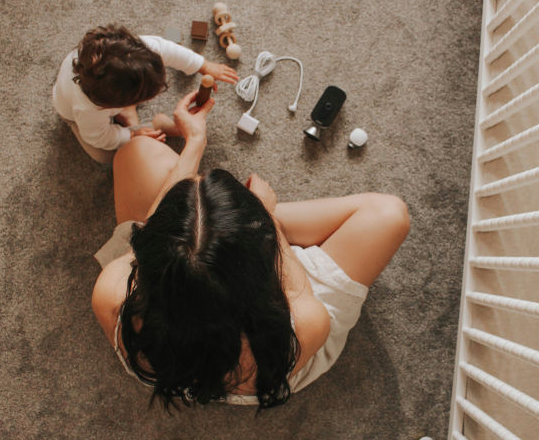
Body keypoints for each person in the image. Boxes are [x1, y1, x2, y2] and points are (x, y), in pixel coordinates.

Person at [91, 90, 410, 408]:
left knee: (136, 151)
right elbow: (293, 285)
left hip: (171, 358)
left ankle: (228, 222)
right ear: (263, 259)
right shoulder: (305, 323)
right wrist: (266, 215)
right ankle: (255, 220)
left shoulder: (111, 295)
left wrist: (195, 141)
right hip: (274, 350)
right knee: (390, 215)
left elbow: (150, 229)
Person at [52, 24, 238, 164]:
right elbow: (98, 137)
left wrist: (203, 65)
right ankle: (142, 122)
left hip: (111, 97)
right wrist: (131, 136)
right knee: (103, 155)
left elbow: (170, 51)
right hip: (77, 117)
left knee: (128, 136)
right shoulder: (88, 110)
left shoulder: (140, 51)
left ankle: (130, 118)